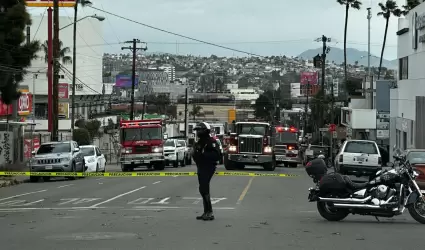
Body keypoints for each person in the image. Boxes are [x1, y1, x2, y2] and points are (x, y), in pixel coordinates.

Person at [192, 122, 221, 221]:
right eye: (197, 130)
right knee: (202, 189)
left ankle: (210, 213)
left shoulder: (211, 141)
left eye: (200, 130)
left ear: (205, 131)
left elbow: (217, 155)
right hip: (201, 167)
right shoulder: (199, 142)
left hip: (208, 167)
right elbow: (196, 155)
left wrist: (204, 154)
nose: (198, 132)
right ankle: (206, 212)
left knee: (204, 188)